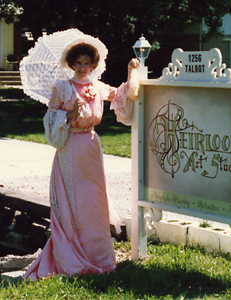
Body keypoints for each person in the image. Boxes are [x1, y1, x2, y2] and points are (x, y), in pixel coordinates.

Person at [23, 35, 140, 281]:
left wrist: (131, 74)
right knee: (74, 203)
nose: (84, 67)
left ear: (93, 64)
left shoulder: (97, 86)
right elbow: (49, 119)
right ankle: (72, 256)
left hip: (91, 146)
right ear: (71, 64)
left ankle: (97, 256)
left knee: (94, 201)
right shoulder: (62, 87)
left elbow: (120, 95)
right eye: (79, 62)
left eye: (88, 62)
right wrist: (69, 114)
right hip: (69, 148)